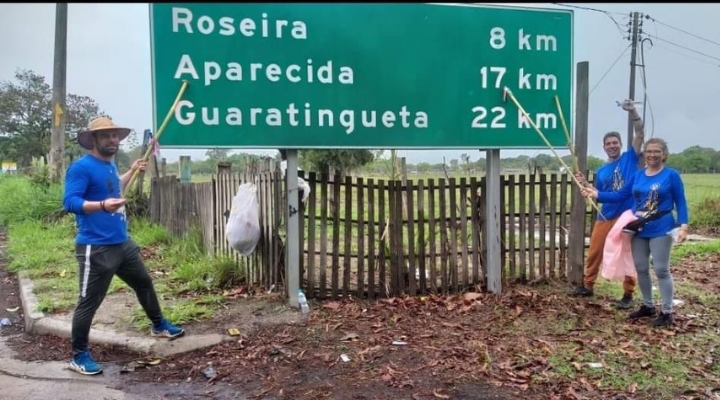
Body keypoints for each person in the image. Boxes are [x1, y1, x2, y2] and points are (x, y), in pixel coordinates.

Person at [62, 116, 185, 375]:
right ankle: (79, 356)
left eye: (115, 135)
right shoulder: (81, 167)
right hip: (96, 247)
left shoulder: (108, 165)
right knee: (88, 302)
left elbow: (114, 188)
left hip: (122, 243)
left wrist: (131, 171)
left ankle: (158, 325)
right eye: (106, 135)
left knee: (144, 283)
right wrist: (103, 206)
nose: (112, 139)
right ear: (93, 140)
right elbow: (70, 202)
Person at [582, 138, 689, 328]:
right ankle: (648, 306)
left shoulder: (671, 175)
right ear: (644, 154)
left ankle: (667, 311)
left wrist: (683, 225)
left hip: (661, 226)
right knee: (640, 268)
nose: (652, 155)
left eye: (657, 151)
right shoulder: (638, 176)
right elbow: (621, 195)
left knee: (662, 269)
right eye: (649, 151)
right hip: (639, 227)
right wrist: (596, 194)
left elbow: (680, 201)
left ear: (664, 154)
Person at [569, 99, 644, 309]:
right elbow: (599, 193)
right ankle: (588, 285)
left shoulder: (630, 158)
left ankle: (628, 294)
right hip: (606, 214)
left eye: (615, 143)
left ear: (620, 145)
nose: (612, 146)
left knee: (628, 253)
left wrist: (634, 112)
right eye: (608, 144)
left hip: (627, 215)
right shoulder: (602, 171)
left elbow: (640, 133)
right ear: (604, 147)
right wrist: (586, 185)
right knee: (594, 250)